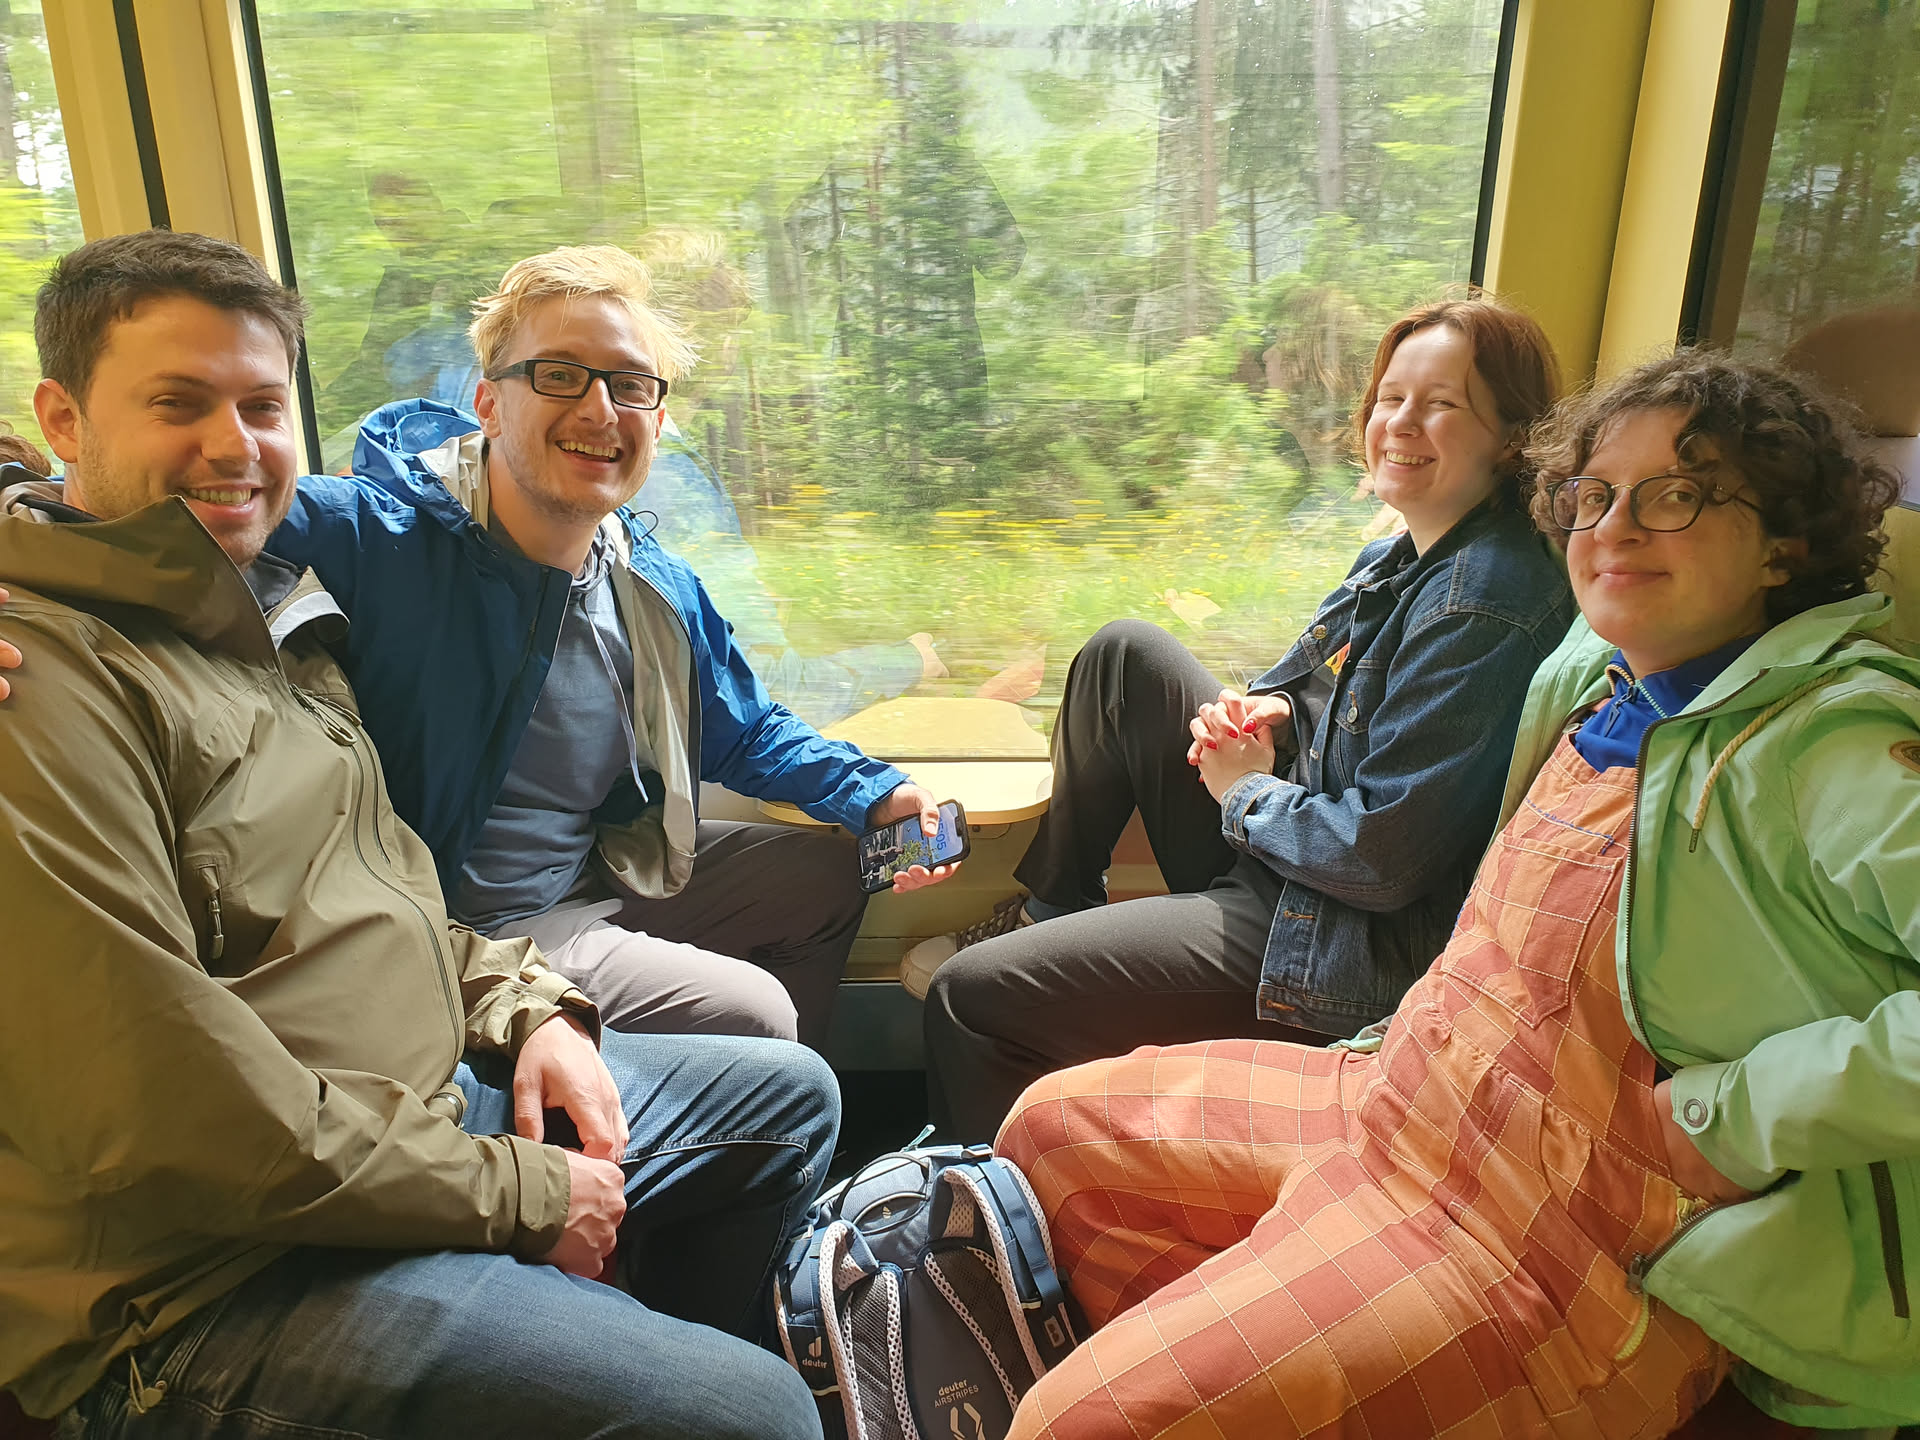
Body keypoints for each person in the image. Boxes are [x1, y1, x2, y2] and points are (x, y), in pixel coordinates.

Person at [0, 230, 836, 1438]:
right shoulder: (42, 689)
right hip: (209, 1277)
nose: (234, 446)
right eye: (178, 404)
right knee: (753, 1415)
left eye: (262, 406)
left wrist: (529, 1008)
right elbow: (163, 1116)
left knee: (788, 1100)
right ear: (64, 422)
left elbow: (379, 891)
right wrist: (519, 1193)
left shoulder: (263, 617)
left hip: (412, 1108)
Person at [994, 352, 1920, 1437]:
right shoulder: (1605, 688)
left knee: (1071, 1426)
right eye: (1595, 495)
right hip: (1409, 1096)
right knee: (1050, 1136)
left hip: (1563, 1232)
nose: (1615, 529)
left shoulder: (1825, 742)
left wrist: (1732, 1119)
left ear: (1784, 546)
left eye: (1677, 495)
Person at [268, 243, 956, 1052]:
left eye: (630, 385)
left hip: (590, 868)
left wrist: (875, 793)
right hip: (463, 929)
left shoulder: (646, 579)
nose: (600, 411)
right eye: (560, 375)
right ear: (489, 405)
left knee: (825, 881)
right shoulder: (369, 537)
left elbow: (741, 729)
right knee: (756, 1010)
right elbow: (209, 514)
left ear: (656, 422)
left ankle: (763, 1100)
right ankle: (746, 1085)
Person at [916, 297, 1576, 1139]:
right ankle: (1048, 914)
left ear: (1513, 437)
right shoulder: (1404, 549)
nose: (1401, 424)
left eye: (1441, 404)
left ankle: (984, 1211)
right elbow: (1333, 692)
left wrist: (1244, 792)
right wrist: (1277, 712)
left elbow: (1382, 860)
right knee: (1125, 656)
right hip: (1292, 853)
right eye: (1390, 399)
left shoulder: (1481, 603)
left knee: (970, 998)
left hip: (1338, 936)